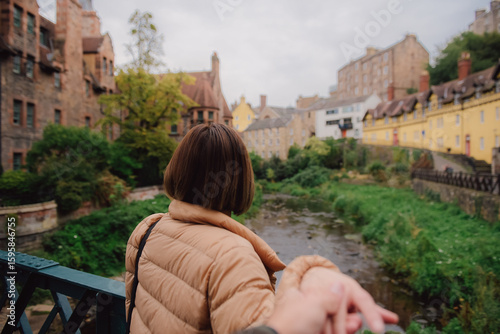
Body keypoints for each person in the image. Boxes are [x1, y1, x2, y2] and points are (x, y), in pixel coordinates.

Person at [125, 123, 398, 334]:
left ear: (177, 169)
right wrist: (308, 273)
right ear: (242, 179)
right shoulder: (234, 256)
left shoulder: (148, 228)